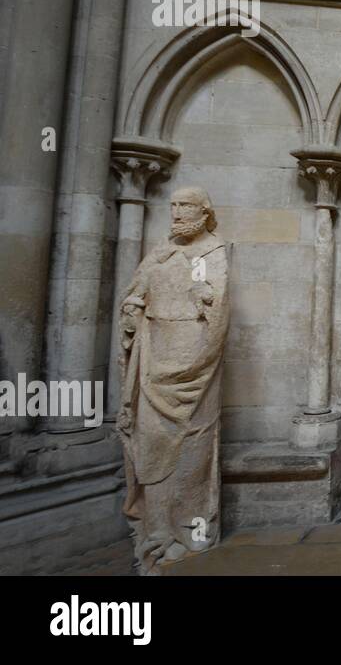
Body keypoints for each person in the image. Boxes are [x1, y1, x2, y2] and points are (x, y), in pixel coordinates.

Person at [119, 187, 230, 573]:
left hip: (195, 362)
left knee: (192, 450)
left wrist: (206, 299)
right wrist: (132, 314)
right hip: (154, 360)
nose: (177, 213)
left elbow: (218, 312)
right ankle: (157, 530)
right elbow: (134, 295)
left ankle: (190, 530)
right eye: (173, 206)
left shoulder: (215, 253)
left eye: (185, 206)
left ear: (205, 211)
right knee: (150, 444)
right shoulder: (161, 253)